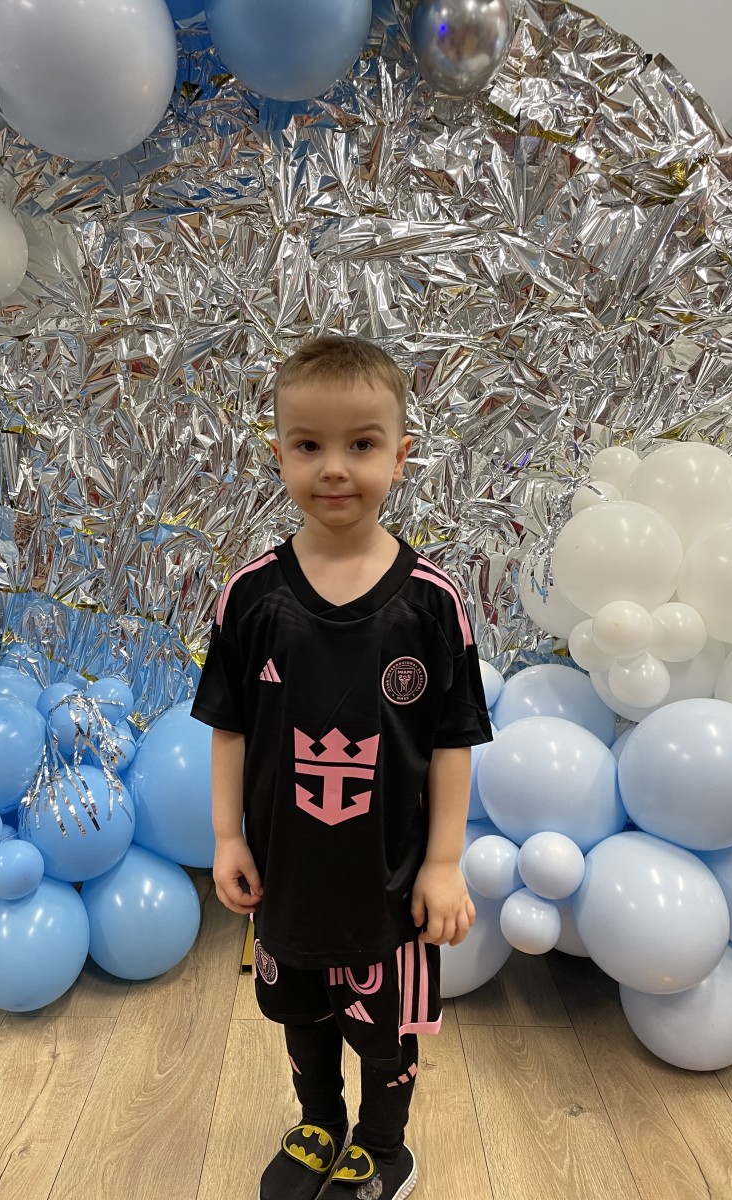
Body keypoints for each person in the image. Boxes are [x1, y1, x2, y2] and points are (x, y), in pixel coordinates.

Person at [191, 335, 492, 1200]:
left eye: (361, 444)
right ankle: (319, 1123)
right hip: (287, 875)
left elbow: (452, 740)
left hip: (386, 882)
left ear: (401, 455)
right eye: (309, 444)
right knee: (301, 1010)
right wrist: (226, 838)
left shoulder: (431, 602)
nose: (334, 467)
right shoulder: (251, 596)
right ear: (277, 453)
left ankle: (384, 1148)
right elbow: (229, 729)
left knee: (384, 1031)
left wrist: (443, 862)